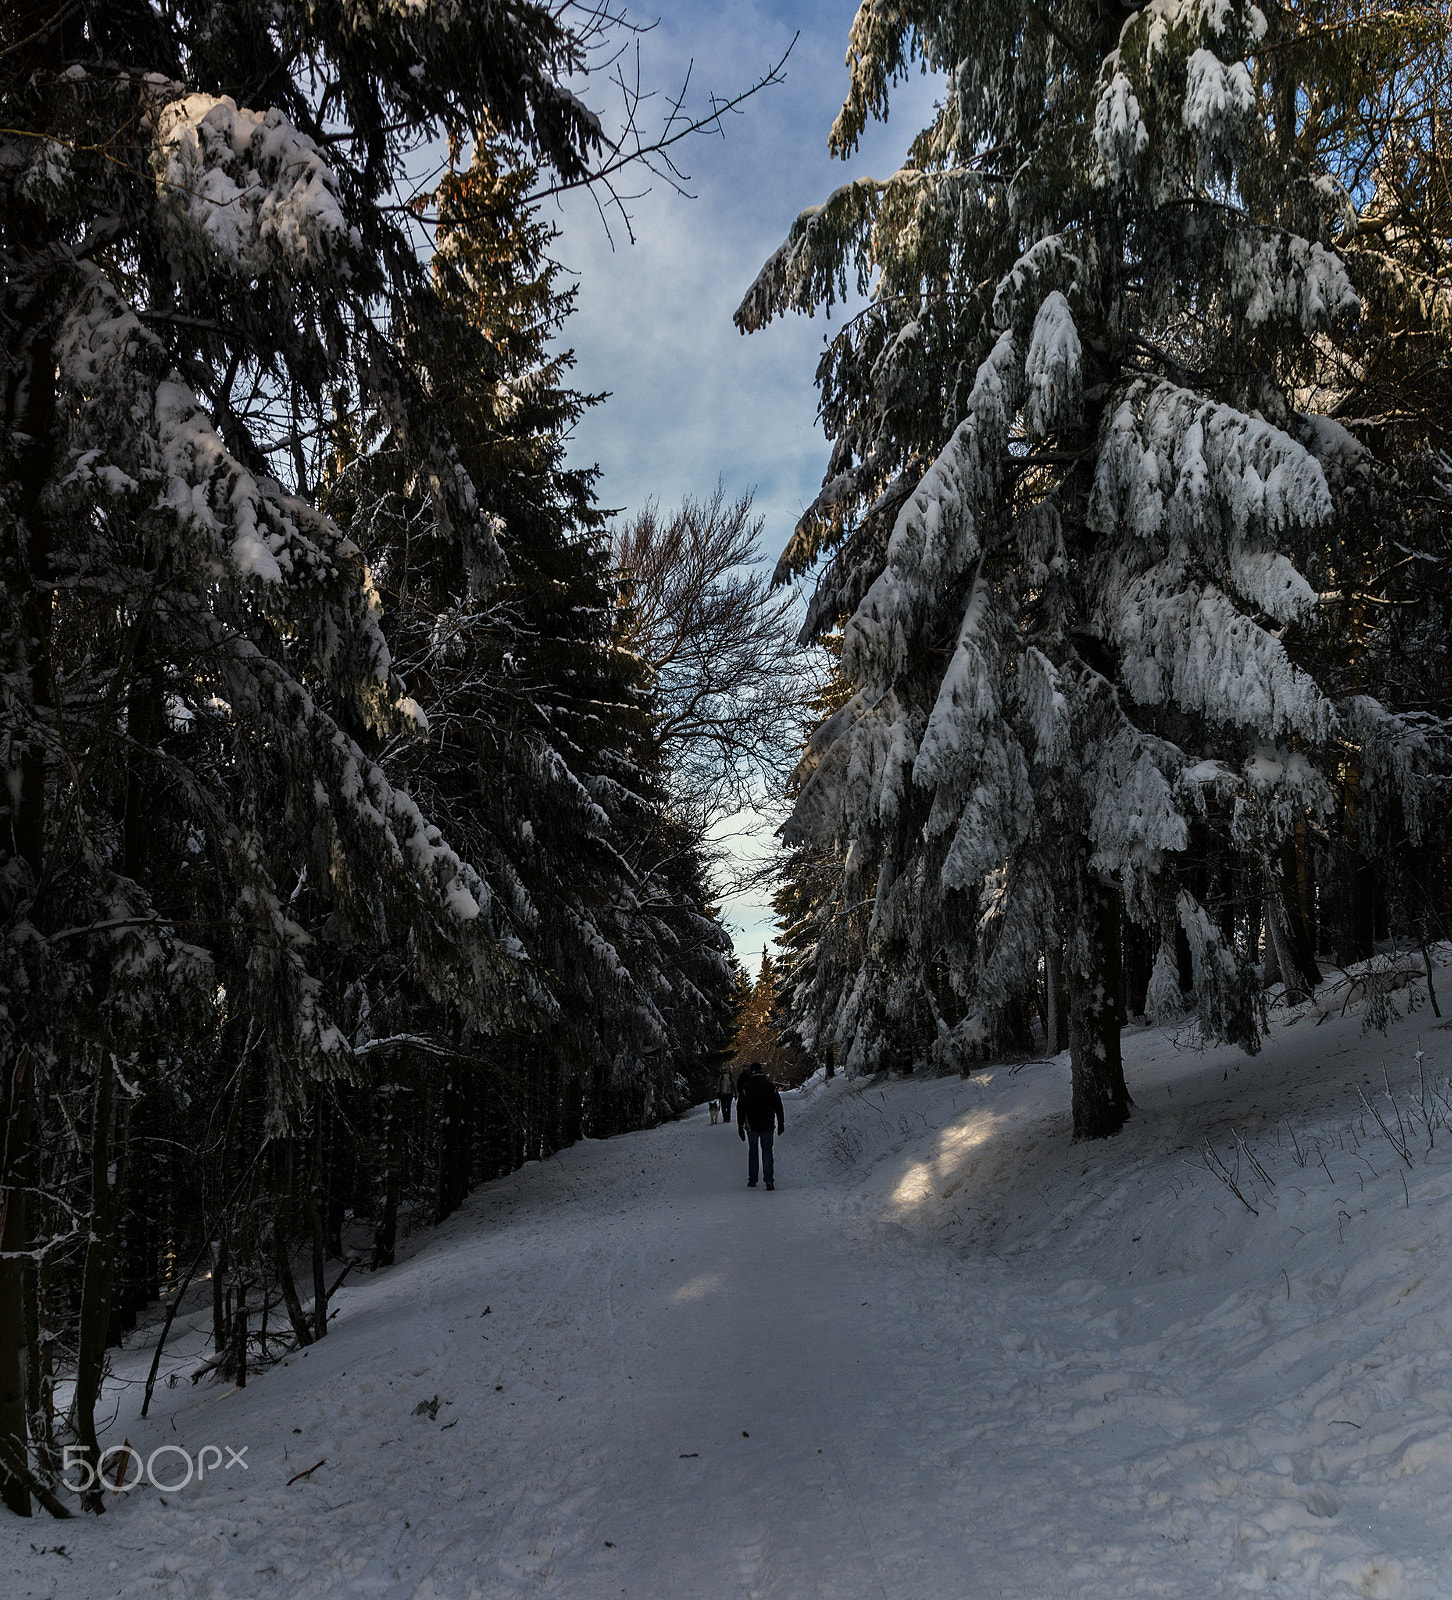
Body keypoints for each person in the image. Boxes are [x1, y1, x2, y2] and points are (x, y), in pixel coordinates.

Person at [736, 1061, 785, 1189]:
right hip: (768, 1124)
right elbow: (778, 1106)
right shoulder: (770, 1086)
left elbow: (740, 1108)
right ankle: (769, 1180)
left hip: (751, 1125)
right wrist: (781, 1123)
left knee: (753, 1152)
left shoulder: (746, 1087)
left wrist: (740, 1126)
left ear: (751, 1072)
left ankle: (753, 1180)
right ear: (762, 1071)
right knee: (767, 1151)